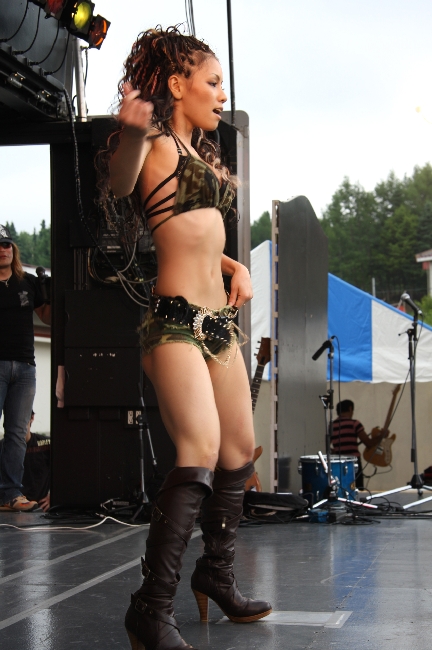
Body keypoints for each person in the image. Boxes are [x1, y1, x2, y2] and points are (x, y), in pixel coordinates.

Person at [103, 26, 272, 650]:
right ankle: (150, 608)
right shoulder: (152, 142)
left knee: (240, 451)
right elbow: (121, 184)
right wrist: (131, 133)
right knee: (199, 447)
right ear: (177, 84)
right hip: (173, 321)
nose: (222, 94)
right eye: (213, 82)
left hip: (217, 323)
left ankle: (215, 574)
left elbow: (197, 233)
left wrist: (236, 266)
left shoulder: (198, 153)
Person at [0, 225, 51, 512]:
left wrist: (51, 294)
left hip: (25, 368)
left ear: (13, 249)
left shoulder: (28, 282)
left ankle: (10, 495)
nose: (3, 249)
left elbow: (48, 316)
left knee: (17, 433)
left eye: (7, 244)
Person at [331, 399, 388, 489]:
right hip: (353, 462)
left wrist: (336, 451)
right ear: (350, 409)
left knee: (340, 488)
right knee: (357, 489)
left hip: (337, 463)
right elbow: (368, 443)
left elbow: (325, 446)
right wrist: (382, 436)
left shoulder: (331, 426)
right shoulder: (355, 424)